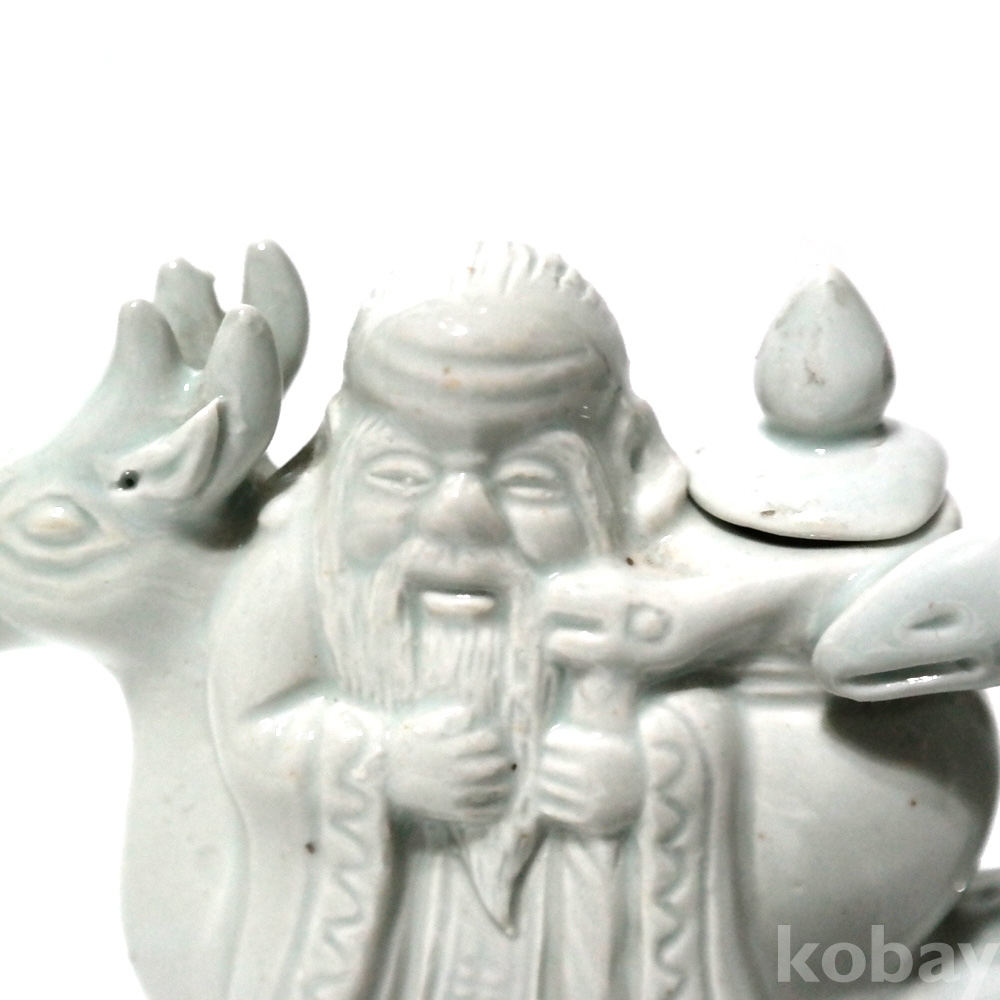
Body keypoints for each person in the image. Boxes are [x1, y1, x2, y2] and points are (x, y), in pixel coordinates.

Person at [207, 243, 976, 1000]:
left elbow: (771, 737)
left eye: (530, 480)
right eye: (401, 473)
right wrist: (379, 762)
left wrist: (653, 777)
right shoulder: (293, 567)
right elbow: (248, 730)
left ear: (627, 463)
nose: (457, 517)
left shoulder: (663, 590)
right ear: (341, 449)